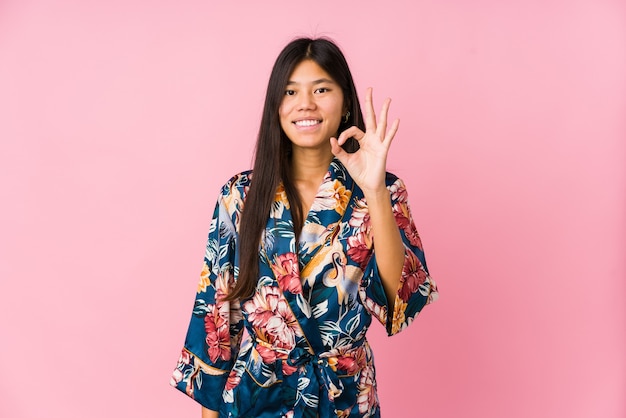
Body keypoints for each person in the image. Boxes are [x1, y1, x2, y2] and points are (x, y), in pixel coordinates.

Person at [170, 37, 438, 418]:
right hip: (256, 397)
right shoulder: (241, 196)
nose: (305, 103)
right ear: (276, 107)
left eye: (322, 89)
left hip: (344, 400)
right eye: (290, 91)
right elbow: (216, 317)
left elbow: (401, 299)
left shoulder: (384, 190)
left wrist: (374, 189)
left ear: (345, 102)